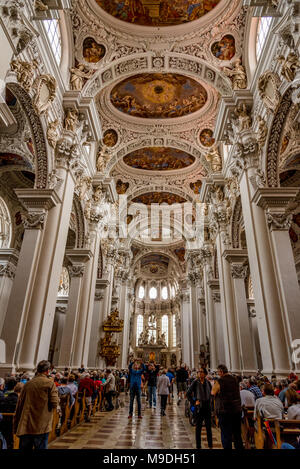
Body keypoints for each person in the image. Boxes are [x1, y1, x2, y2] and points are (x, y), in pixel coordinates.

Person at [13, 360, 59, 450]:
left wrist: (16, 424)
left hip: (26, 424)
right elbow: (54, 403)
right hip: (41, 424)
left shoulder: (28, 384)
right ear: (47, 371)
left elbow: (20, 404)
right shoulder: (49, 383)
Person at [212, 364, 244, 450]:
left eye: (218, 372)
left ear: (221, 372)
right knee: (237, 434)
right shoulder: (235, 380)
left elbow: (213, 392)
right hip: (236, 410)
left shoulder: (220, 381)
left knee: (226, 435)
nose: (218, 374)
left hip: (225, 411)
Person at [187, 367, 213, 450]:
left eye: (201, 372)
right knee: (198, 428)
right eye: (199, 372)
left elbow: (211, 393)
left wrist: (211, 402)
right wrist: (194, 402)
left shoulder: (208, 383)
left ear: (205, 374)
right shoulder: (195, 382)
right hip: (199, 408)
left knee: (209, 427)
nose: (200, 373)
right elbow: (188, 393)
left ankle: (210, 445)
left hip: (207, 407)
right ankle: (198, 446)